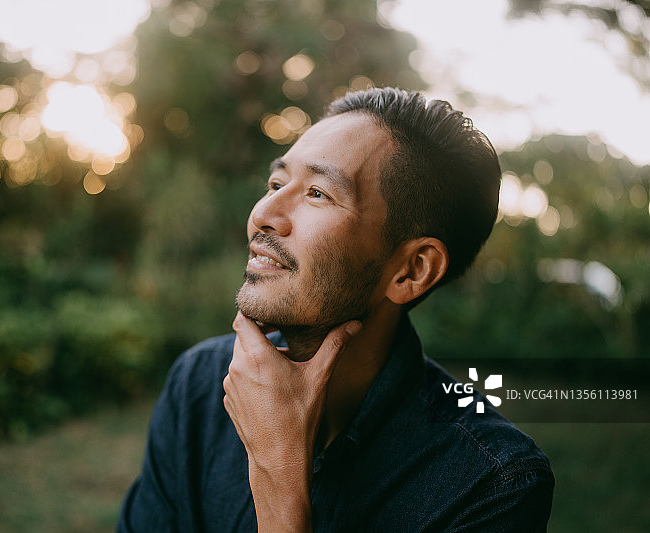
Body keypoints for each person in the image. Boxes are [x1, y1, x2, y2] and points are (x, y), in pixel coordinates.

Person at [117, 87, 554, 532]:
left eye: (318, 193)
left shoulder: (492, 486)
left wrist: (280, 479)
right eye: (275, 183)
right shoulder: (199, 385)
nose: (264, 213)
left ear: (411, 270)